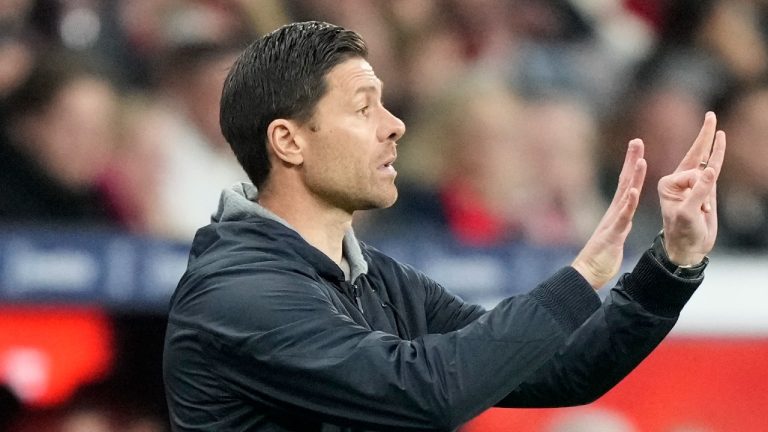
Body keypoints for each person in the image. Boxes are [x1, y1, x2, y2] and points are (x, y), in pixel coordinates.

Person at [163, 21, 726, 431]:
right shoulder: (238, 292)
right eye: (364, 109)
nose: (395, 125)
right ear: (288, 141)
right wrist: (581, 276)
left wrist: (670, 264)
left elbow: (563, 369)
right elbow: (424, 393)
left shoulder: (377, 280)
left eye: (386, 104)